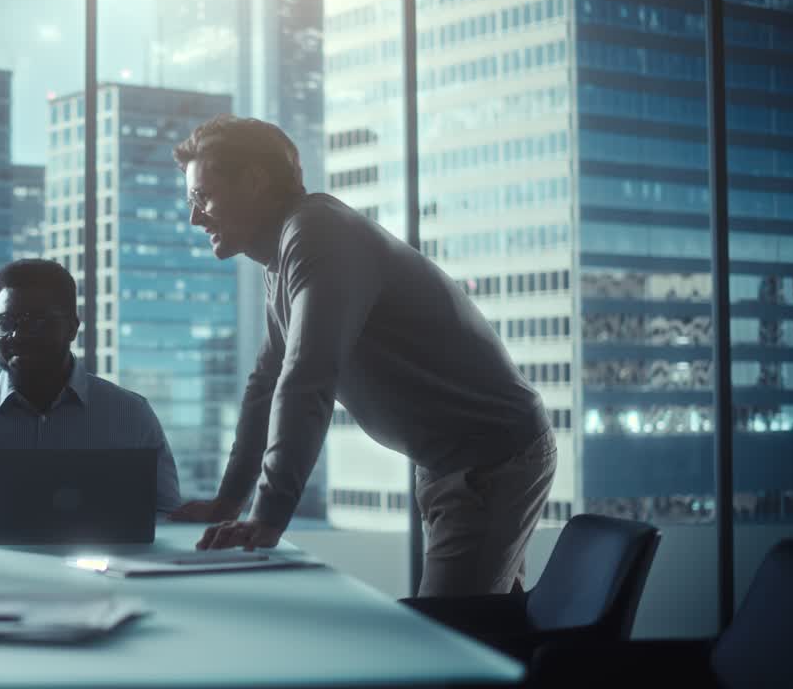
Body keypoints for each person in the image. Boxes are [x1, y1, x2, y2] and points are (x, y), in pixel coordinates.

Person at [168, 115, 555, 597]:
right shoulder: (284, 258)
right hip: (451, 461)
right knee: (490, 624)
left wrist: (266, 518)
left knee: (447, 638)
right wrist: (229, 501)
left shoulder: (318, 235)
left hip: (490, 458)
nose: (194, 217)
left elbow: (306, 379)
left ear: (253, 181)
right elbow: (264, 388)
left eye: (202, 197)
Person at [0, 259, 181, 521]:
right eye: (5, 322)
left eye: (36, 322)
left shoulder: (130, 415)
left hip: (101, 567)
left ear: (72, 328)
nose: (18, 335)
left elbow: (167, 516)